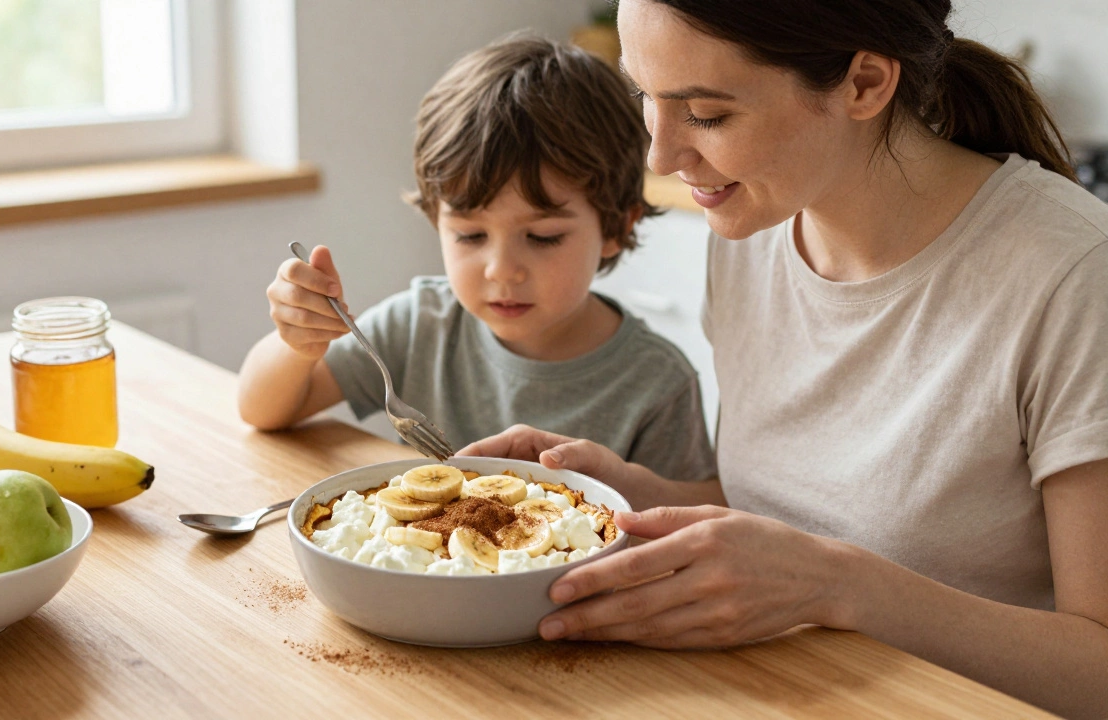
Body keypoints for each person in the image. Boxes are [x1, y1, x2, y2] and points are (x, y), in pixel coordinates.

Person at [458, 1, 1108, 717]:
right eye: (645, 97)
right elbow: (793, 517)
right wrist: (640, 494)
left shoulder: (1075, 278)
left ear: (864, 84)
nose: (660, 157)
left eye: (705, 114)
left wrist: (846, 588)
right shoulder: (752, 230)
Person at [237, 36, 717, 482]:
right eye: (469, 235)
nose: (501, 270)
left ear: (616, 228)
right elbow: (262, 409)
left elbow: (696, 519)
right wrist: (297, 345)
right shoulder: (419, 325)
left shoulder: (657, 384)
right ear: (436, 222)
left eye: (543, 236)